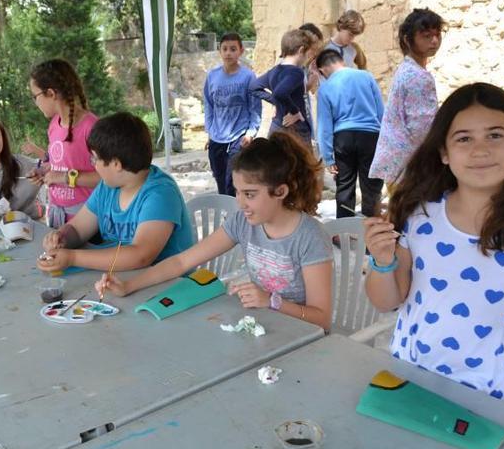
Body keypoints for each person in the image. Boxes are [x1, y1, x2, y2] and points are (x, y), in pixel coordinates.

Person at [363, 83, 504, 407]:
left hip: (492, 403)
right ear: (444, 152)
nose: (480, 150)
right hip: (409, 383)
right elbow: (386, 301)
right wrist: (382, 261)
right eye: (464, 138)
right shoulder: (419, 215)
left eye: (495, 135)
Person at [95, 132, 333, 330]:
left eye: (250, 194)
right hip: (262, 327)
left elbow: (322, 319)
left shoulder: (309, 237)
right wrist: (129, 286)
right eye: (238, 192)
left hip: (301, 336)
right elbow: (180, 263)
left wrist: (273, 301)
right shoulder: (243, 222)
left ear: (281, 191)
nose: (240, 203)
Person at [36, 112, 194, 273]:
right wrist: (62, 237)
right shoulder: (108, 187)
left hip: (169, 285)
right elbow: (78, 228)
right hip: (124, 279)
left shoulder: (160, 194)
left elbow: (141, 255)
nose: (94, 165)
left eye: (95, 159)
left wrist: (73, 257)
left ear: (116, 164)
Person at [369, 8, 445, 186]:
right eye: (426, 36)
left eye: (437, 35)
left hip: (399, 162)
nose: (434, 41)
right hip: (410, 165)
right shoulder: (418, 76)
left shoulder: (407, 69)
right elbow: (422, 126)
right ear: (407, 39)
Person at [27, 59, 101, 228]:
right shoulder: (54, 125)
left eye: (35, 96)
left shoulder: (91, 127)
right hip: (57, 215)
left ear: (51, 93)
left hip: (87, 220)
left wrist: (64, 178)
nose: (35, 103)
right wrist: (43, 171)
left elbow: (107, 177)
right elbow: (58, 164)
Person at [315, 49, 385, 218]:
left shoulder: (325, 88)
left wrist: (328, 157)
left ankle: (344, 232)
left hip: (343, 138)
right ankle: (371, 229)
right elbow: (381, 111)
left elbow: (324, 125)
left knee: (345, 186)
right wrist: (384, 142)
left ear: (322, 70)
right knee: (371, 186)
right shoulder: (366, 76)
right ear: (341, 61)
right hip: (370, 135)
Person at [202, 32, 262, 196]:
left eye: (233, 49)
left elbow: (255, 107)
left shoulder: (248, 77)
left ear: (241, 51)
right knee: (220, 178)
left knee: (232, 180)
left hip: (238, 137)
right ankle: (227, 213)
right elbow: (208, 105)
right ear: (219, 51)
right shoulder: (212, 76)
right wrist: (209, 132)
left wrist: (251, 133)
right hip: (216, 137)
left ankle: (236, 215)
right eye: (225, 49)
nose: (229, 53)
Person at [250, 29, 318, 147]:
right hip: (296, 130)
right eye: (307, 54)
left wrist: (277, 103)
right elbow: (280, 93)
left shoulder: (274, 71)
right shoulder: (297, 72)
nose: (307, 58)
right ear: (301, 50)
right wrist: (295, 112)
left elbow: (253, 87)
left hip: (277, 126)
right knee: (303, 164)